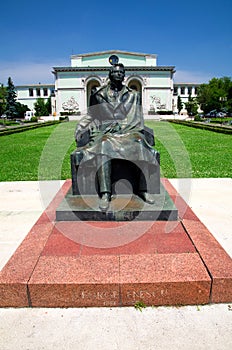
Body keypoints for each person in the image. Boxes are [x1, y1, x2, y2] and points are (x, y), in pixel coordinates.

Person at [75, 63, 157, 211]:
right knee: (104, 144)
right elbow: (91, 114)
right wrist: (81, 127)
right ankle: (105, 194)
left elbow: (138, 117)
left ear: (124, 75)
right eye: (115, 72)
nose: (118, 74)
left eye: (121, 72)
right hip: (107, 132)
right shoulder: (98, 94)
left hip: (129, 130)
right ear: (110, 74)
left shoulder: (133, 95)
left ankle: (143, 190)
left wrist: (134, 129)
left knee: (140, 142)